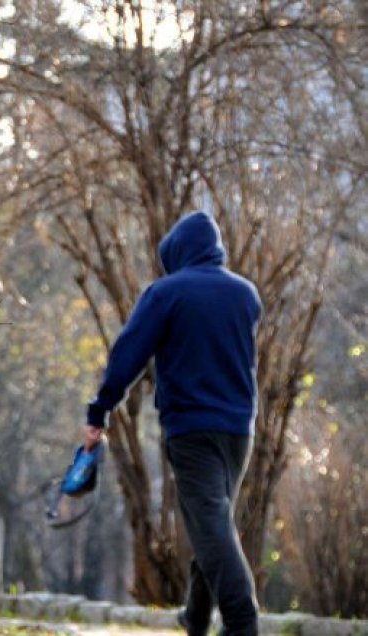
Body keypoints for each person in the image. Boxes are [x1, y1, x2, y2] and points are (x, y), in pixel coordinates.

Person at [83, 210, 261, 636]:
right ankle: (196, 617)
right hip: (239, 430)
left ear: (178, 253)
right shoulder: (247, 294)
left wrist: (99, 411)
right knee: (211, 519)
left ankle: (242, 622)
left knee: (210, 521)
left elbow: (128, 354)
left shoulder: (167, 293)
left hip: (191, 429)